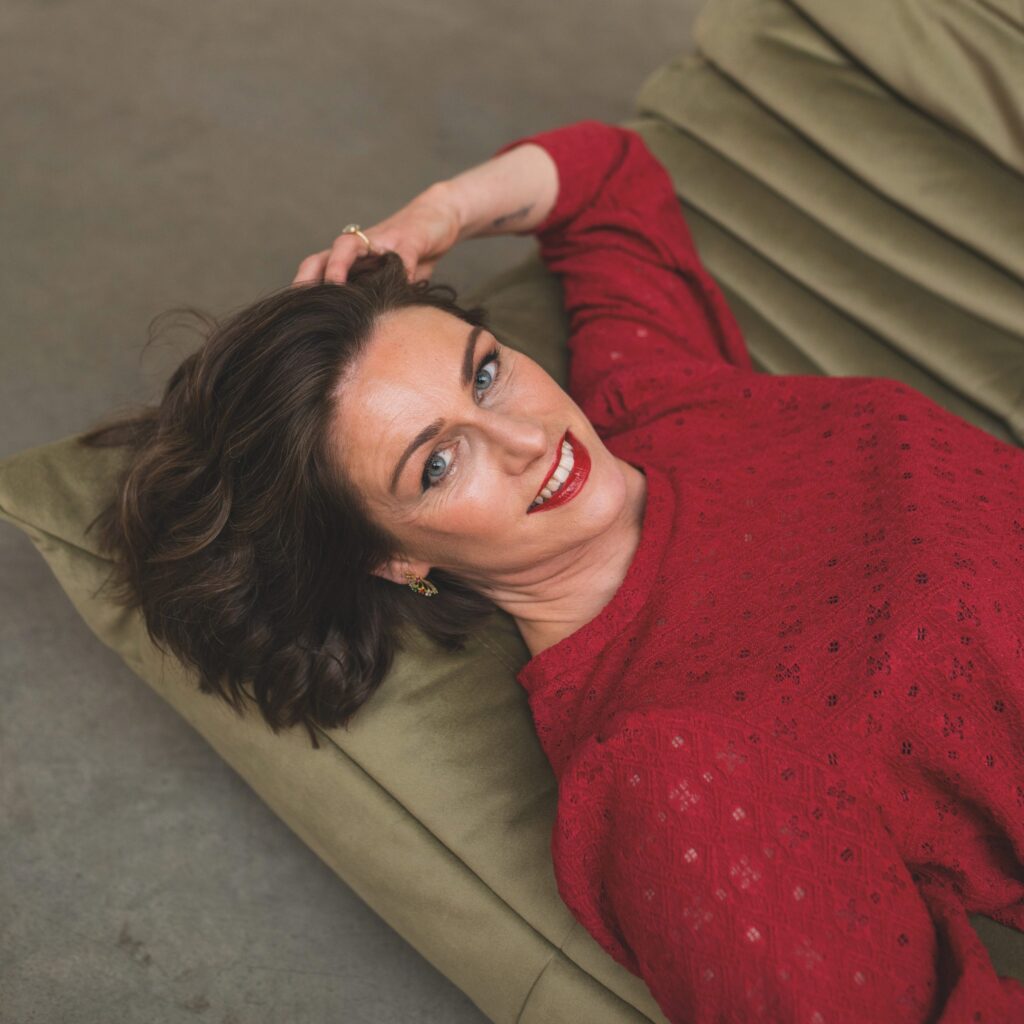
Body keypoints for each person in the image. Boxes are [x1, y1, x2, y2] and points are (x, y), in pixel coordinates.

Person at [81, 120, 1023, 1022]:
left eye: (486, 374)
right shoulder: (671, 769)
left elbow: (605, 180)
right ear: (393, 557)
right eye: (438, 464)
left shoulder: (648, 395)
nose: (528, 438)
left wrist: (436, 215)